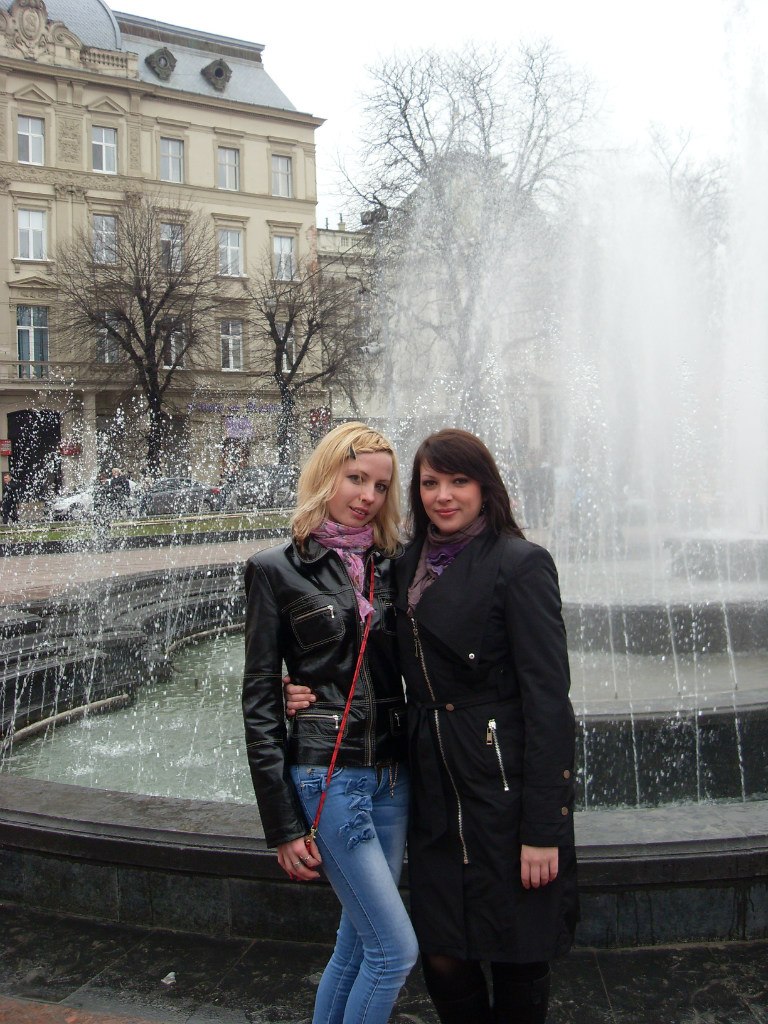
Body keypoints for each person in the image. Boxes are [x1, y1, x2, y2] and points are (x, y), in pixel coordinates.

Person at [287, 428, 578, 1024]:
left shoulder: (520, 563)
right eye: (430, 483)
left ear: (485, 487)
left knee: (518, 953)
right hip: (430, 788)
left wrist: (544, 828)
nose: (443, 496)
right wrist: (296, 687)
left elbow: (549, 702)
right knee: (443, 954)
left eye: (459, 481)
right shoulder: (402, 565)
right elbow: (362, 654)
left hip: (502, 784)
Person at [241, 422, 418, 1024]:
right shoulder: (275, 569)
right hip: (329, 776)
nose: (367, 495)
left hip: (392, 775)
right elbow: (259, 702)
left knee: (357, 946)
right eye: (355, 478)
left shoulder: (396, 565)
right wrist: (281, 824)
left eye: (380, 485)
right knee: (394, 952)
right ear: (326, 476)